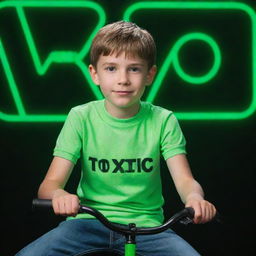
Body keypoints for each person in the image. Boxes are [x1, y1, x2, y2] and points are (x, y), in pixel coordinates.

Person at [16, 20, 216, 256]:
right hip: (86, 223)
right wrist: (60, 196)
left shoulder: (163, 120)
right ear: (95, 74)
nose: (123, 79)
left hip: (148, 228)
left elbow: (185, 181)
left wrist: (194, 198)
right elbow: (49, 186)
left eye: (134, 68)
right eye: (111, 68)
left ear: (150, 74)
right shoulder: (81, 117)